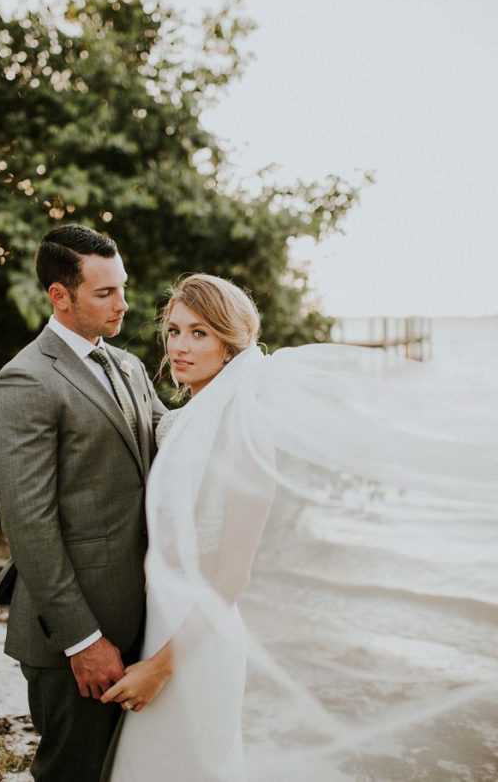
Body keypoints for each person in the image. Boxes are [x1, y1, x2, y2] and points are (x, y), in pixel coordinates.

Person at [100, 273, 498, 781]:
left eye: (199, 333)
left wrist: (161, 666)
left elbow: (233, 574)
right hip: (156, 621)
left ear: (230, 346)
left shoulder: (242, 433)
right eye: (174, 331)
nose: (179, 346)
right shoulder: (186, 417)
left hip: (194, 642)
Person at [0, 224, 166, 782]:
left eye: (123, 288)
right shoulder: (24, 382)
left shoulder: (128, 367)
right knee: (73, 772)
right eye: (104, 293)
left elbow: (172, 437)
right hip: (76, 634)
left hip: (141, 618)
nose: (123, 304)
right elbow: (28, 524)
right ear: (59, 296)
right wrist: (83, 641)